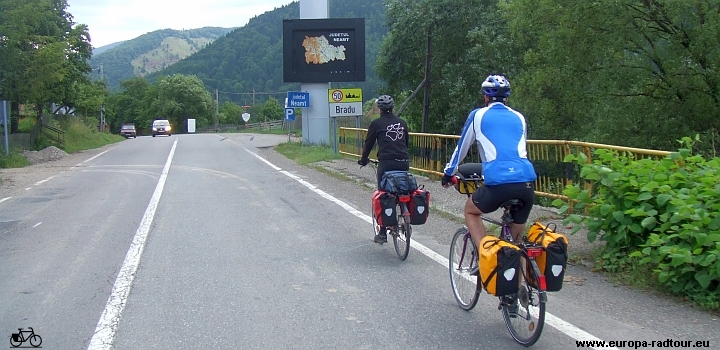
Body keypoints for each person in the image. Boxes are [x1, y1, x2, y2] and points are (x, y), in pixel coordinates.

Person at [441, 74, 537, 249]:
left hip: (498, 183)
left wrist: (448, 173)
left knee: (470, 211)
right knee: (516, 245)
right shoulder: (519, 117)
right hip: (526, 184)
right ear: (507, 98)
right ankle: (518, 274)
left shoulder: (478, 115)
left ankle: (485, 256)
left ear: (485, 97)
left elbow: (461, 148)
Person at [358, 94, 410, 244]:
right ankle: (405, 214)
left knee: (384, 193)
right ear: (393, 108)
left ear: (379, 109)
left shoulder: (376, 124)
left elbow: (369, 144)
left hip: (386, 163)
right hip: (403, 162)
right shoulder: (402, 123)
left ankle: (382, 233)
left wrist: (363, 159)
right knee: (402, 187)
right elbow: (405, 143)